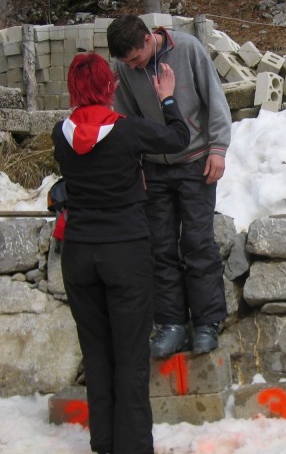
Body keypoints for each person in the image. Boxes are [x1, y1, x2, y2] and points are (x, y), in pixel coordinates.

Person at [52, 53, 190, 454]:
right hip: (125, 253)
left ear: (74, 89)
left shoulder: (59, 134)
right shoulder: (127, 131)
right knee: (130, 356)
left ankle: (105, 443)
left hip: (78, 254)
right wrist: (166, 98)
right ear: (109, 87)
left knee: (97, 354)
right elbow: (179, 139)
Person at [107, 15, 233, 358]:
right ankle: (171, 324)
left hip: (197, 162)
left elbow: (216, 101)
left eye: (134, 58)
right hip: (155, 169)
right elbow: (129, 120)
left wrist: (218, 149)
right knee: (159, 247)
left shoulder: (189, 49)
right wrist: (138, 165)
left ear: (148, 40)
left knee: (197, 243)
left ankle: (206, 323)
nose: (131, 66)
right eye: (125, 63)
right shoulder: (125, 71)